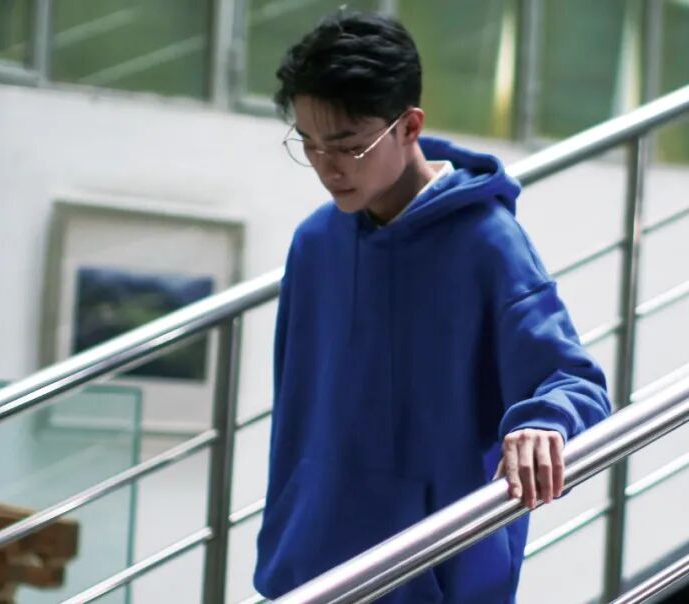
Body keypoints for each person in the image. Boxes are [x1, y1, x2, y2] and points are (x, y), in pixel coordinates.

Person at [254, 9, 611, 603]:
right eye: (308, 144)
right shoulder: (315, 244)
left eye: (348, 146)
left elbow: (574, 380)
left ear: (409, 126)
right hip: (312, 575)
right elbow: (297, 418)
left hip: (434, 576)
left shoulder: (487, 243)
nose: (326, 167)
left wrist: (542, 423)